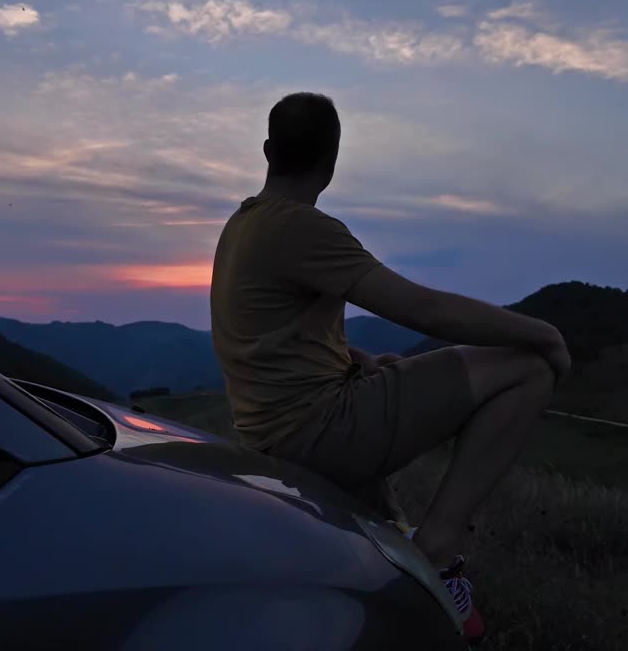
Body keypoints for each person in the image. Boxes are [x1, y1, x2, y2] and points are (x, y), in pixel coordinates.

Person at [209, 92, 570, 642]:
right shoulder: (304, 229)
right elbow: (425, 309)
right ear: (332, 160)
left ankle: (416, 587)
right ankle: (442, 546)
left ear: (266, 151)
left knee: (385, 556)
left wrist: (356, 359)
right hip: (322, 432)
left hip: (271, 435)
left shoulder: (241, 227)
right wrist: (543, 333)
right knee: (526, 368)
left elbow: (262, 339)